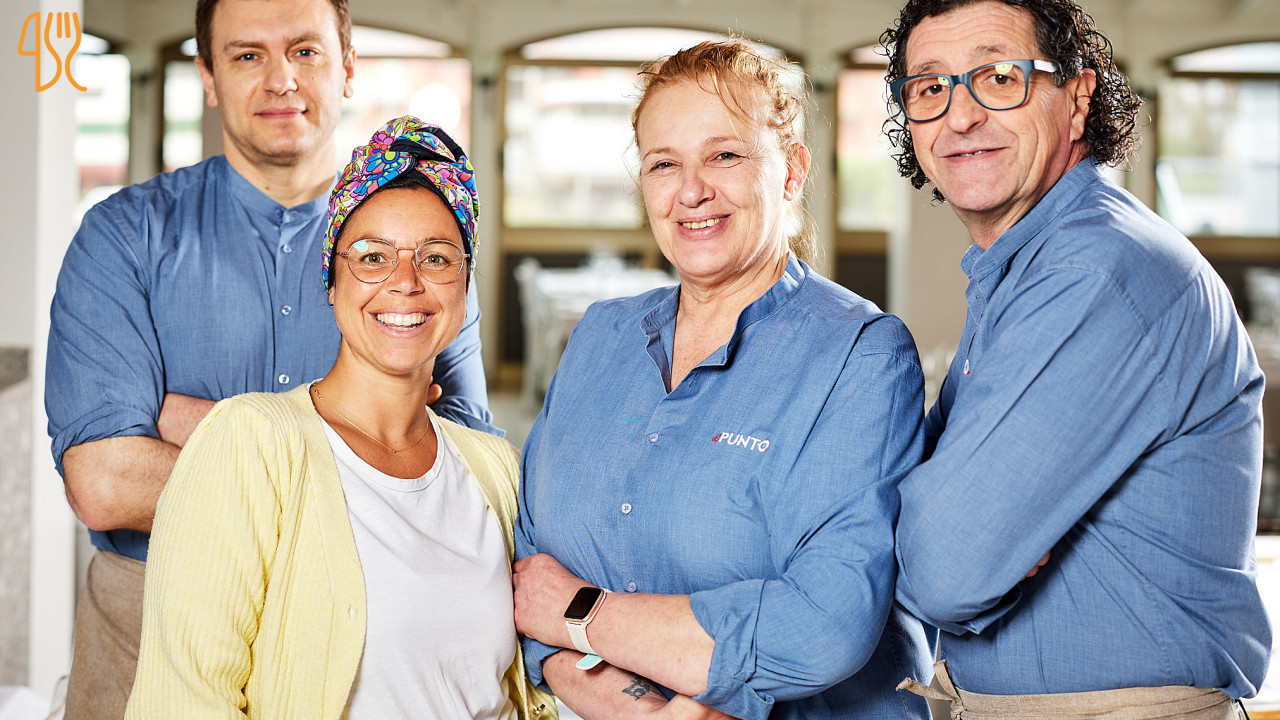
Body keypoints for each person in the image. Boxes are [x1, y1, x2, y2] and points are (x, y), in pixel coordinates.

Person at [44, 0, 495, 716]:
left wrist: (182, 421)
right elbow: (104, 483)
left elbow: (461, 479)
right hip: (144, 618)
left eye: (306, 51)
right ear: (208, 75)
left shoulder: (413, 256)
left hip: (361, 626)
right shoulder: (122, 235)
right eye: (248, 55)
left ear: (347, 67)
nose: (281, 79)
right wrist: (365, 447)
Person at [512, 40, 931, 720]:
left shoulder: (861, 357)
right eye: (663, 164)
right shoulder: (599, 338)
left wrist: (582, 611)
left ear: (792, 171)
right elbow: (529, 580)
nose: (691, 191)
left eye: (725, 156)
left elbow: (821, 628)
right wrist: (644, 711)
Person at [882, 1, 1272, 717]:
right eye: (930, 87)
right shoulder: (1027, 268)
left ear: (1078, 96)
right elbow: (920, 508)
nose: (960, 116)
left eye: (1000, 78)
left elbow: (947, 569)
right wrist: (955, 518)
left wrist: (955, 530)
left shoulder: (1096, 271)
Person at [124, 117, 553, 720]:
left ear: (464, 284)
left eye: (436, 258)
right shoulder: (251, 442)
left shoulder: (496, 468)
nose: (405, 283)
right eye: (373, 257)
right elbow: (184, 700)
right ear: (332, 280)